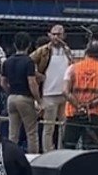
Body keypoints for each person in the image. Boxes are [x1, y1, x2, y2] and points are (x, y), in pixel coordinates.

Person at [62, 40, 98, 150]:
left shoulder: (72, 68)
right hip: (94, 114)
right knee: (91, 148)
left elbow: (65, 91)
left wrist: (78, 105)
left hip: (74, 113)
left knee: (68, 147)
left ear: (86, 52)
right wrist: (90, 105)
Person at [31, 24, 74, 152]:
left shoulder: (67, 50)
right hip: (49, 93)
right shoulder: (44, 50)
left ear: (64, 36)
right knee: (49, 126)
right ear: (49, 35)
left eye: (59, 34)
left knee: (63, 125)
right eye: (54, 34)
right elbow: (29, 61)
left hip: (64, 93)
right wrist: (38, 75)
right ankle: (47, 151)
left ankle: (61, 150)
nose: (56, 37)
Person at [1, 31, 40, 154]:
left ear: (14, 45)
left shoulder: (7, 61)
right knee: (31, 132)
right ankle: (33, 159)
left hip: (12, 97)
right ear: (29, 45)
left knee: (13, 132)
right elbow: (32, 82)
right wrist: (38, 100)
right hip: (25, 98)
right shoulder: (28, 62)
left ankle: (11, 156)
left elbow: (3, 82)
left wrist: (9, 92)